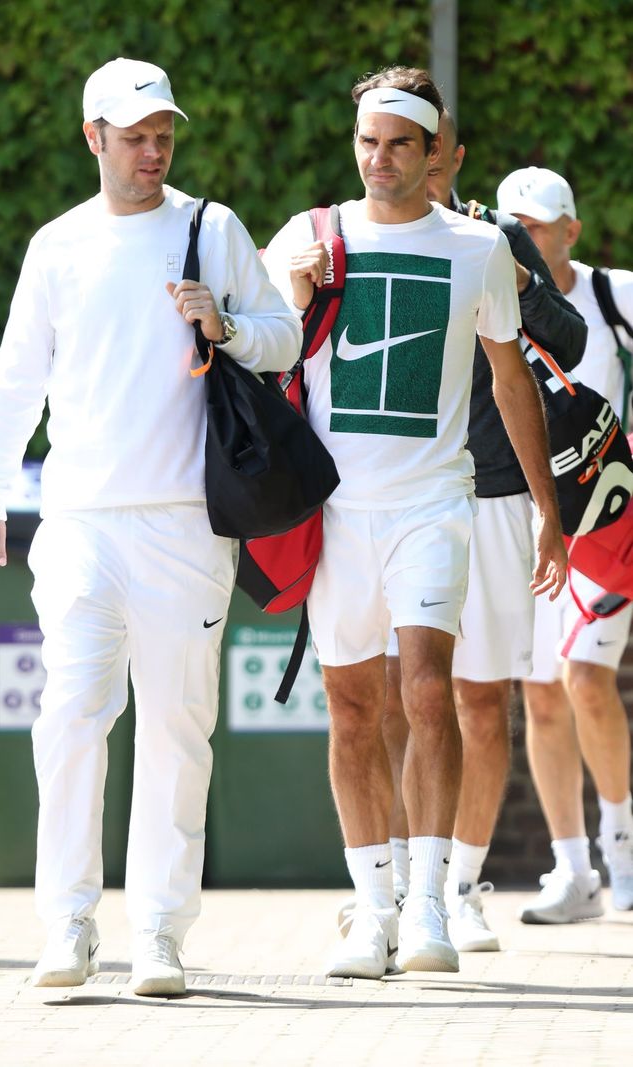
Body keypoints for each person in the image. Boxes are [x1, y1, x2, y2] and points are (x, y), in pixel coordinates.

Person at [0, 57, 301, 995]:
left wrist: (225, 323)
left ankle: (157, 931)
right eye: (135, 135)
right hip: (77, 522)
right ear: (94, 138)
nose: (153, 151)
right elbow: (17, 378)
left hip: (189, 523)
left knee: (178, 728)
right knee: (69, 717)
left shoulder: (212, 228)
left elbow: (284, 338)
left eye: (164, 135)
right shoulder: (57, 245)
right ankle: (67, 923)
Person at [263, 66, 567, 980]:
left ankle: (431, 904)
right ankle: (374, 908)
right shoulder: (307, 238)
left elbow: (512, 379)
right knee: (353, 707)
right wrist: (295, 293)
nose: (380, 159)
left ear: (435, 152)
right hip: (336, 512)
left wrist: (550, 508)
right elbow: (262, 354)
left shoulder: (475, 248)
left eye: (400, 143)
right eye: (367, 141)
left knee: (428, 690)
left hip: (435, 502)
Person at [375, 116, 587, 954]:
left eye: (420, 150)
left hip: (494, 494)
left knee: (477, 699)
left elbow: (565, 339)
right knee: (396, 690)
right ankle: (389, 883)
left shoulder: (494, 236)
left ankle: (457, 887)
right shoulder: (355, 234)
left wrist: (511, 271)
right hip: (396, 495)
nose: (401, 165)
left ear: (450, 159)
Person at [496, 166, 633, 923]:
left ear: (571, 230)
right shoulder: (490, 292)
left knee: (585, 679)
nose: (527, 236)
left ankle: (623, 848)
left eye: (541, 225)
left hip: (606, 527)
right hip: (523, 526)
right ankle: (574, 871)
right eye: (516, 223)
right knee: (541, 695)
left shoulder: (614, 294)